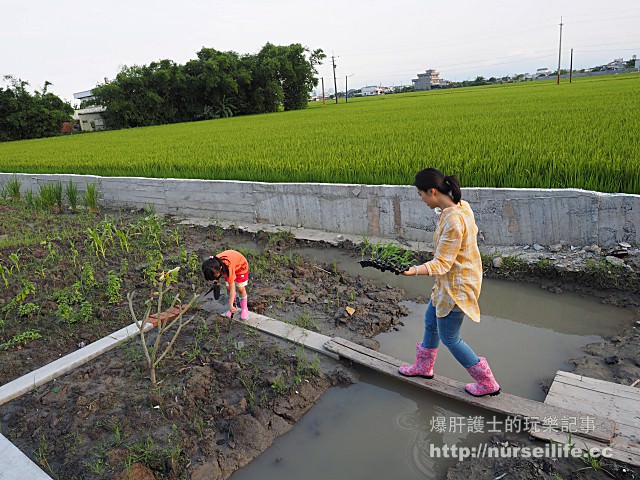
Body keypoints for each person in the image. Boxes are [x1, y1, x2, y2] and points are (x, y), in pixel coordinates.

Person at [399, 168, 500, 397]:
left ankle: (487, 383)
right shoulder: (460, 206)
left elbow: (442, 264)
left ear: (433, 191)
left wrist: (413, 271)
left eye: (421, 194)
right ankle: (424, 367)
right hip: (451, 281)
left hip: (457, 286)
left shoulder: (454, 221)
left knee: (450, 338)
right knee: (430, 321)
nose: (422, 199)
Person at [201, 250, 250, 320]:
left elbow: (233, 289)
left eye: (214, 276)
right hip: (229, 266)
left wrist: (229, 305)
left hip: (241, 267)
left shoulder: (228, 268)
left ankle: (244, 309)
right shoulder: (214, 264)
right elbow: (215, 274)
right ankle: (234, 305)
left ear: (220, 269)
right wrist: (216, 279)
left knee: (240, 288)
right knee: (228, 288)